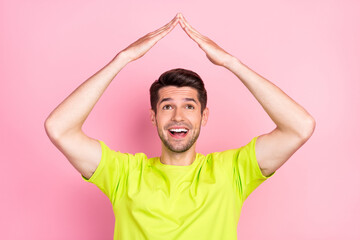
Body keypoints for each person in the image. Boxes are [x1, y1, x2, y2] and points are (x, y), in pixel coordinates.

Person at [45, 13, 315, 240]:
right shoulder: (124, 174)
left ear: (203, 116)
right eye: (166, 106)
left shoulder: (232, 170)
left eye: (189, 106)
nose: (177, 116)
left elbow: (300, 126)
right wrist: (123, 58)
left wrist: (232, 63)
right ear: (153, 117)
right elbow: (59, 127)